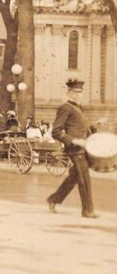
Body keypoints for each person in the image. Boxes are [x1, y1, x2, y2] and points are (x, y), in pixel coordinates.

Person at [46, 79, 98, 218]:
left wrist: (94, 128)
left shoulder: (80, 108)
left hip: (83, 148)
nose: (78, 94)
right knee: (84, 177)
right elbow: (56, 131)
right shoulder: (65, 107)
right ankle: (88, 210)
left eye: (80, 92)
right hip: (74, 149)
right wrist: (73, 140)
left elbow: (80, 128)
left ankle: (54, 199)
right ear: (68, 91)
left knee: (74, 177)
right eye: (75, 92)